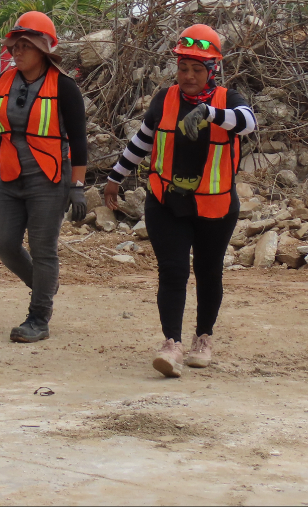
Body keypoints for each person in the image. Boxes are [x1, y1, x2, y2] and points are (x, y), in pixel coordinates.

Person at [105, 23, 256, 378]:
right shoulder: (165, 98)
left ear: (212, 71)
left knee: (207, 271)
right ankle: (171, 344)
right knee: (172, 270)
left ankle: (203, 338)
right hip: (167, 200)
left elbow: (248, 123)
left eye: (197, 69)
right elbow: (142, 141)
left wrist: (210, 114)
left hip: (215, 206)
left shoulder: (228, 100)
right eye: (183, 68)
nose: (188, 76)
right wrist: (115, 177)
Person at [0, 11, 89, 343]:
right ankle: (44, 285)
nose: (16, 52)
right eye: (15, 46)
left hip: (49, 178)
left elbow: (79, 142)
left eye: (25, 46)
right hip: (11, 176)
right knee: (4, 244)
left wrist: (77, 187)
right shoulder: (3, 83)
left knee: (43, 249)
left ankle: (38, 317)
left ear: (43, 49)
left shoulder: (64, 87)